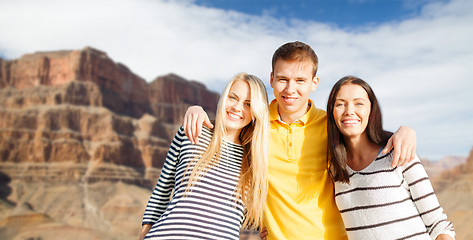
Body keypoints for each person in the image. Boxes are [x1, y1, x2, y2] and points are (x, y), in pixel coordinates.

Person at [183, 41, 417, 240]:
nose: (290, 89)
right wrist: (196, 110)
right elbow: (226, 133)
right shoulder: (256, 126)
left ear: (314, 83)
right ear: (272, 79)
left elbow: (367, 138)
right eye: (283, 79)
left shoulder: (331, 126)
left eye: (300, 80)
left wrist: (405, 131)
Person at [139, 73, 270, 240]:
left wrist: (268, 230)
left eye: (248, 104)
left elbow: (248, 216)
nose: (237, 108)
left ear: (256, 112)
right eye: (233, 98)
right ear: (224, 97)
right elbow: (161, 194)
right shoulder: (193, 132)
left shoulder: (254, 160)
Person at [327, 76, 455, 239]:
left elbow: (438, 224)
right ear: (331, 111)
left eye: (359, 103)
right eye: (340, 104)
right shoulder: (333, 167)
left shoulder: (398, 152)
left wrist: (407, 129)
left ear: (371, 109)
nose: (349, 111)